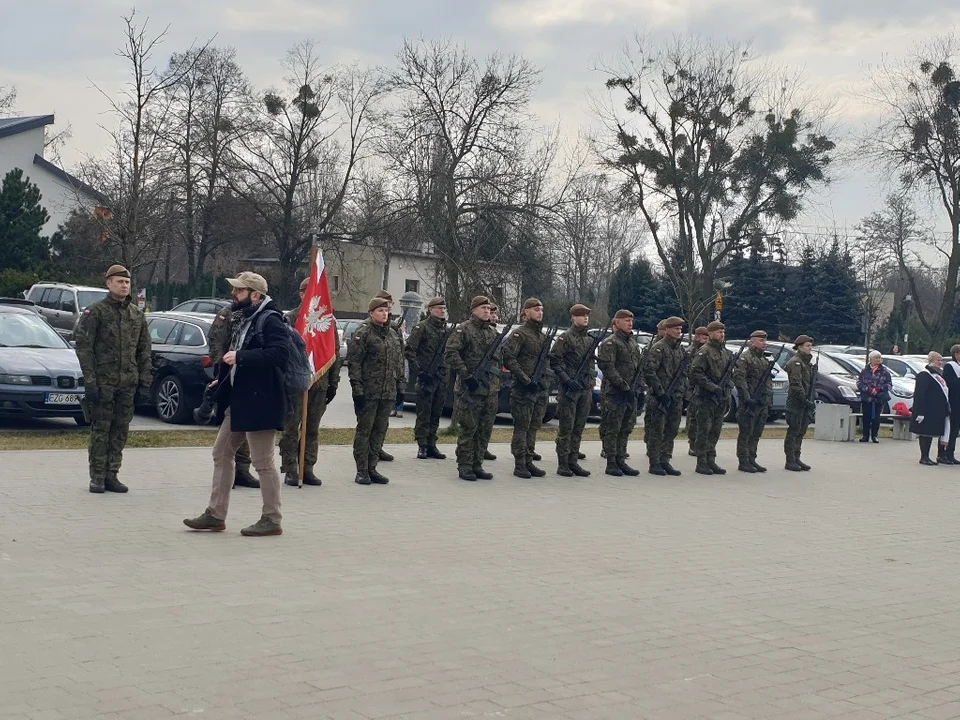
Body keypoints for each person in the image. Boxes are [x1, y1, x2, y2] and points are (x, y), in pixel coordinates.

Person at [183, 272, 289, 536]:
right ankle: (215, 515)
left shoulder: (270, 319)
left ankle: (272, 518)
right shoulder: (246, 319)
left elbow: (280, 354)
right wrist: (223, 380)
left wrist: (241, 357)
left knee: (262, 462)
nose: (234, 295)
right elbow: (236, 360)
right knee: (221, 452)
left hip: (262, 400)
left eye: (240, 291)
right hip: (241, 399)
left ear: (256, 295)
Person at [75, 264, 153, 494]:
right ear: (108, 284)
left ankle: (112, 474)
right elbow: (84, 347)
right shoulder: (96, 312)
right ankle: (97, 476)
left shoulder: (136, 315)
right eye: (119, 282)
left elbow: (144, 350)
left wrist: (145, 382)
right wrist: (90, 381)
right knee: (101, 430)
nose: (124, 285)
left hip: (127, 383)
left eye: (127, 282)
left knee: (120, 430)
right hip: (103, 382)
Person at [279, 277, 340, 487]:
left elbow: (334, 354)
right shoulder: (291, 318)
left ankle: (308, 466)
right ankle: (290, 468)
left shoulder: (328, 321)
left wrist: (333, 382)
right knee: (291, 427)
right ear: (302, 294)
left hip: (319, 383)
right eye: (308, 292)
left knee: (312, 428)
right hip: (296, 384)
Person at [348, 297, 405, 485]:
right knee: (365, 431)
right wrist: (357, 389)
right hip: (369, 391)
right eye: (380, 311)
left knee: (379, 431)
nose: (384, 313)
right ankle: (361, 470)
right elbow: (355, 362)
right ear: (371, 313)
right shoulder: (363, 333)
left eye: (386, 310)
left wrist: (400, 386)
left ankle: (373, 468)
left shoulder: (392, 335)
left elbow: (398, 363)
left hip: (387, 392)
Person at [445, 296, 500, 481]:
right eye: (483, 308)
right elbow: (451, 353)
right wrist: (466, 375)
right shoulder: (464, 330)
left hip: (489, 390)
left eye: (489, 308)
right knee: (468, 429)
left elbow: (499, 359)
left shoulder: (492, 333)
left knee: (484, 430)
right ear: (474, 310)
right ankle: (465, 465)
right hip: (470, 389)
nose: (487, 311)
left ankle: (477, 464)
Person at [208, 305, 260, 489]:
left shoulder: (259, 315)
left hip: (247, 376)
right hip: (228, 374)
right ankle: (226, 474)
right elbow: (216, 341)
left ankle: (242, 471)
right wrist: (220, 368)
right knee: (228, 429)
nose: (235, 292)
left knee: (244, 427)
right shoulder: (226, 313)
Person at [502, 298, 551, 479]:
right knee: (522, 427)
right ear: (526, 312)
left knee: (533, 426)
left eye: (542, 309)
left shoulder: (543, 336)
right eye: (536, 309)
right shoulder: (519, 334)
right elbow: (509, 358)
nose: (540, 312)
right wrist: (524, 379)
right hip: (523, 389)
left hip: (538, 389)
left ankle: (529, 460)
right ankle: (520, 463)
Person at [549, 303, 595, 477]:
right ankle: (563, 464)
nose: (585, 318)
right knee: (567, 428)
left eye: (587, 316)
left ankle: (573, 460)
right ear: (573, 318)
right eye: (581, 315)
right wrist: (566, 379)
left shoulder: (590, 339)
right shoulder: (565, 337)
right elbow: (555, 360)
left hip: (585, 389)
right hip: (570, 389)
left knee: (578, 427)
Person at [597, 309, 643, 477]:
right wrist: (623, 386)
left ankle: (621, 460)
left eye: (631, 320)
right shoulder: (611, 343)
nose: (630, 323)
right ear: (616, 323)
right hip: (615, 393)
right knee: (613, 429)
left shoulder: (632, 343)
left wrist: (638, 387)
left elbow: (638, 368)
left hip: (631, 393)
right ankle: (611, 462)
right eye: (625, 320)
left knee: (626, 428)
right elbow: (608, 368)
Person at [405, 296, 449, 460]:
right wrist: (419, 371)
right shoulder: (422, 328)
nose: (442, 311)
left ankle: (432, 444)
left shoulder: (445, 330)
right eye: (439, 308)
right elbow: (409, 350)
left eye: (444, 309)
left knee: (436, 412)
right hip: (426, 377)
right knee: (424, 412)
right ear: (431, 310)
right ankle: (422, 445)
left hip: (441, 377)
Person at [643, 316, 686, 476]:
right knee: (657, 430)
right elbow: (649, 371)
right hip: (660, 397)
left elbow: (683, 374)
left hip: (675, 397)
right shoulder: (659, 348)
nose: (679, 331)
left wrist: (682, 391)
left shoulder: (680, 349)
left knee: (671, 429)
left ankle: (665, 459)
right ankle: (654, 462)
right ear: (667, 330)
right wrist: (660, 392)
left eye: (680, 329)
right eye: (676, 329)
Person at [690, 321, 733, 475]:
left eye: (723, 332)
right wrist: (712, 387)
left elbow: (729, 374)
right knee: (704, 430)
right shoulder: (704, 351)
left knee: (715, 430)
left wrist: (726, 387)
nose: (722, 335)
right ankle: (701, 462)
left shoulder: (725, 352)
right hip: (706, 398)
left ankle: (711, 460)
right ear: (710, 334)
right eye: (718, 332)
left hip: (720, 398)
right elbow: (695, 373)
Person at [733, 330, 773, 473]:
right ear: (752, 342)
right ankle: (743, 461)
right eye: (761, 341)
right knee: (746, 432)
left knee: (756, 432)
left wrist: (768, 399)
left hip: (762, 402)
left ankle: (752, 458)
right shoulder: (745, 358)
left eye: (765, 341)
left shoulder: (763, 359)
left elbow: (767, 382)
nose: (764, 344)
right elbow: (739, 379)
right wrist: (746, 397)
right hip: (749, 402)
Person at [374, 290, 402, 459]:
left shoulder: (393, 329)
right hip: (373, 384)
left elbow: (399, 356)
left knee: (382, 422)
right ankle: (368, 455)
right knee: (369, 424)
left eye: (389, 304)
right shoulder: (367, 327)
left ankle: (378, 447)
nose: (388, 307)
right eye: (384, 304)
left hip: (389, 384)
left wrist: (401, 383)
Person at [911, 351, 951, 465]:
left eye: (941, 360)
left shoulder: (938, 375)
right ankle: (924, 457)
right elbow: (920, 394)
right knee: (925, 433)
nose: (940, 362)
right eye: (938, 360)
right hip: (927, 410)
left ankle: (928, 456)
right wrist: (920, 412)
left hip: (936, 411)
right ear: (931, 360)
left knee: (930, 433)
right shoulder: (924, 375)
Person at [784, 335, 816, 472]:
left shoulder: (806, 363)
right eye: (808, 346)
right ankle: (790, 460)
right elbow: (796, 384)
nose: (810, 348)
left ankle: (797, 458)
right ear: (800, 347)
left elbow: (808, 383)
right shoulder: (795, 362)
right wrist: (805, 400)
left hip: (805, 401)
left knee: (801, 432)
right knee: (794, 431)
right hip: (796, 402)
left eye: (811, 346)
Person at [856, 350, 893, 444]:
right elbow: (859, 383)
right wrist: (868, 389)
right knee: (866, 417)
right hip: (866, 397)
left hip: (878, 398)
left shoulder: (885, 371)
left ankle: (874, 435)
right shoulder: (865, 371)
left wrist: (878, 389)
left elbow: (889, 384)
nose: (878, 359)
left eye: (880, 358)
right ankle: (865, 436)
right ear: (871, 359)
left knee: (876, 417)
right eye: (876, 358)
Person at [481, 302, 502, 462]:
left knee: (488, 420)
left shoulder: (495, 333)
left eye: (494, 313)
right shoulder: (469, 330)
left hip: (492, 384)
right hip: (476, 383)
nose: (492, 315)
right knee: (473, 423)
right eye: (490, 312)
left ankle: (483, 447)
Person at [686, 326, 709, 456]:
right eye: (704, 338)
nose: (706, 340)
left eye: (707, 338)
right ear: (697, 337)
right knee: (694, 418)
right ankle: (692, 444)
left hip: (703, 389)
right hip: (692, 389)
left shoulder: (707, 351)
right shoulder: (691, 352)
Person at [942, 345, 960, 464]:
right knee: (951, 429)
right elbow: (949, 384)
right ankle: (945, 454)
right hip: (953, 402)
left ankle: (951, 453)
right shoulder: (950, 366)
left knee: (956, 430)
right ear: (956, 354)